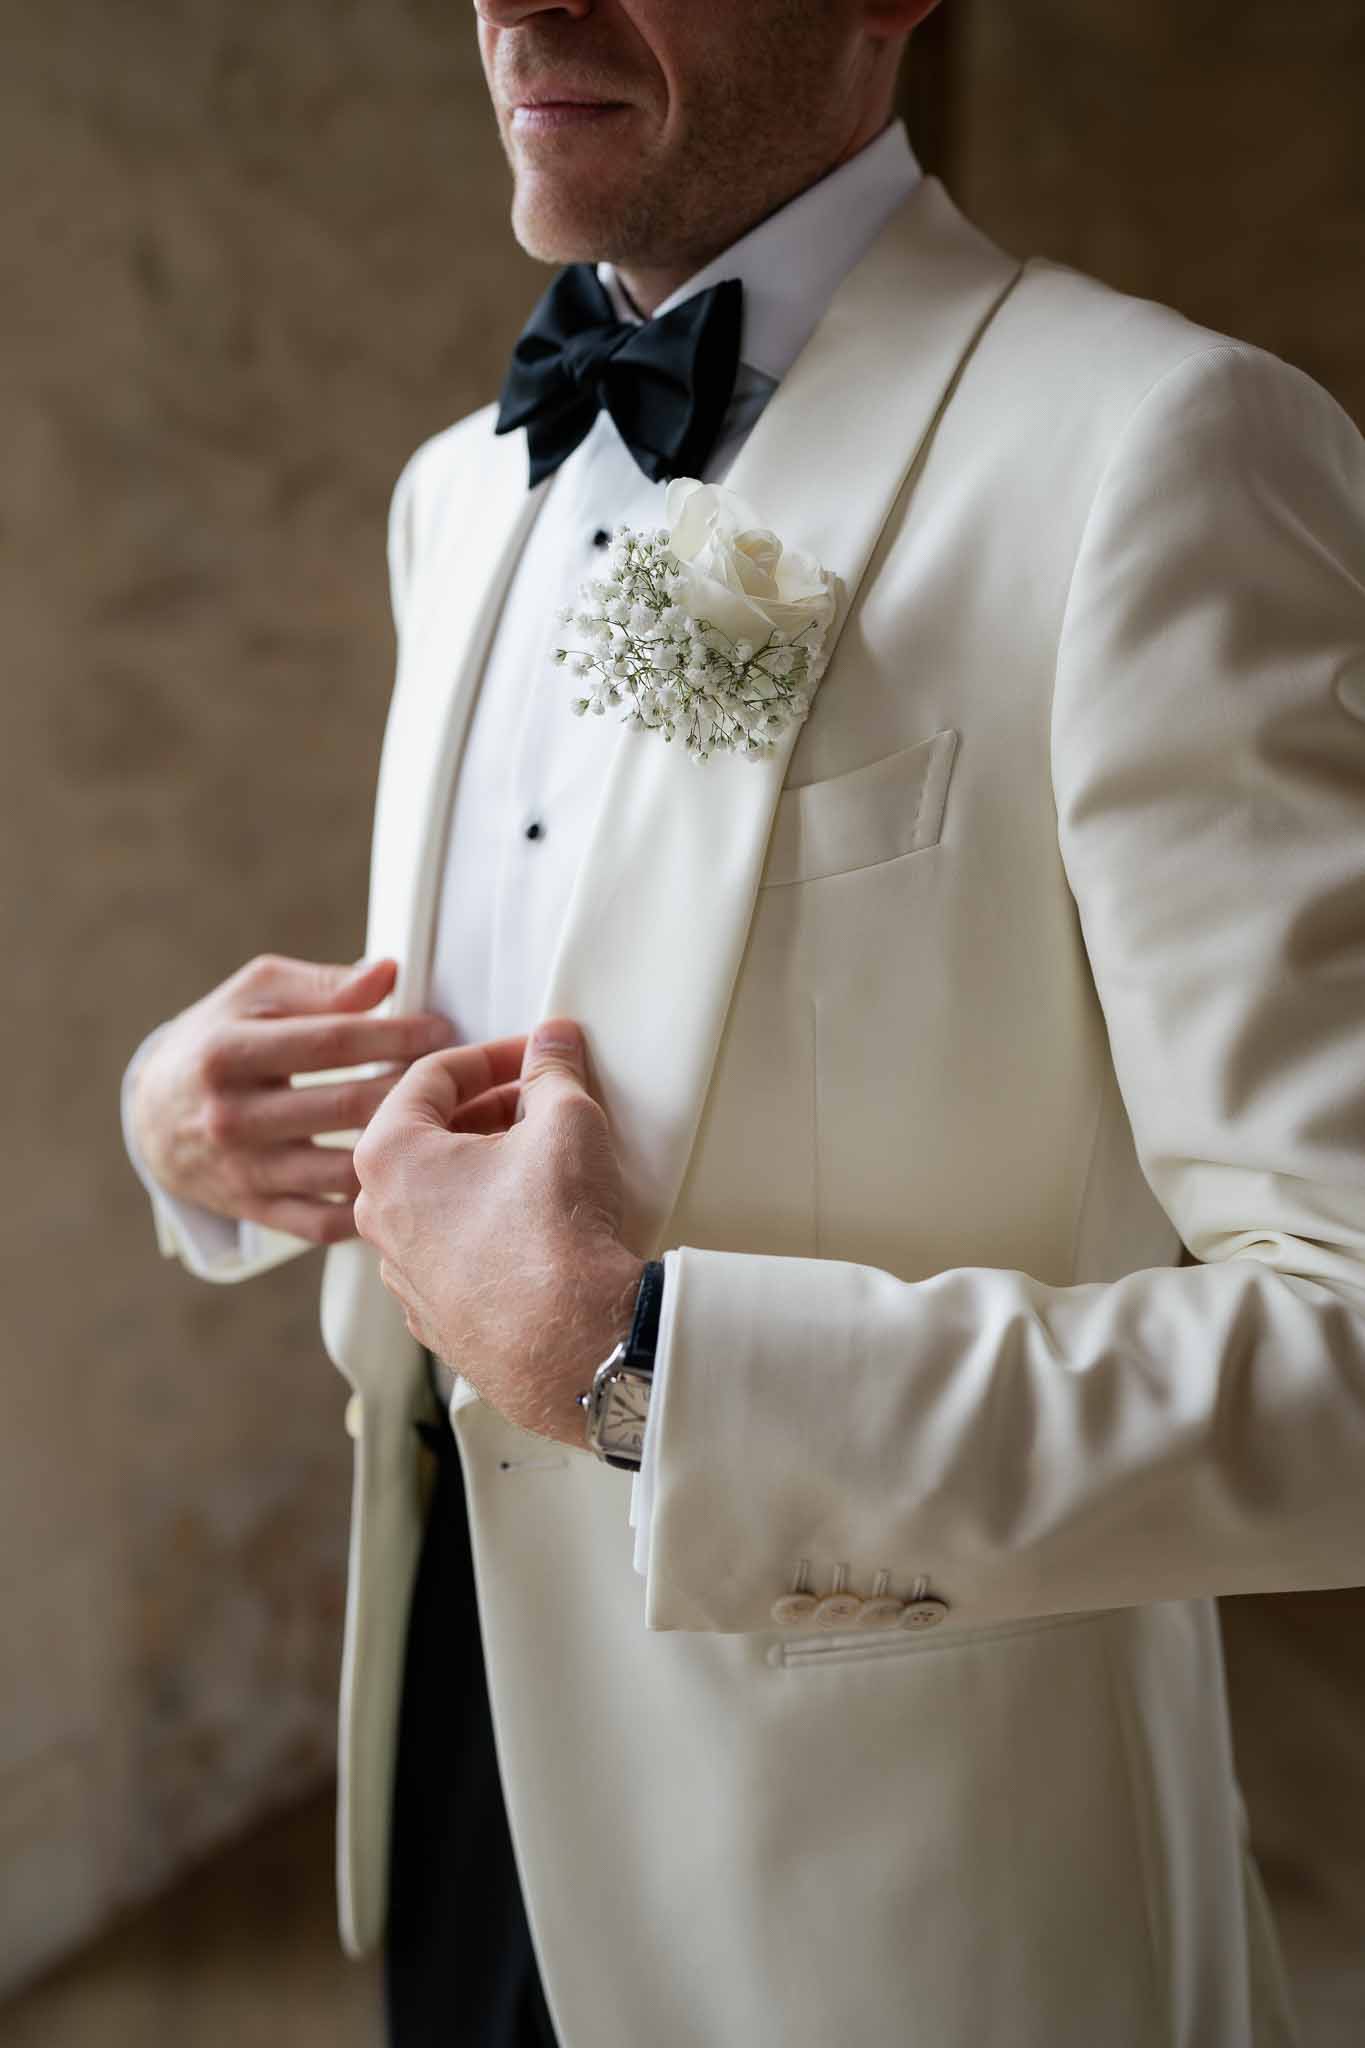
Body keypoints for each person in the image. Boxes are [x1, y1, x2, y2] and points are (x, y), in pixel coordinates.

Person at [123, 1, 1365, 2042]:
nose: (521, 2)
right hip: (459, 1771)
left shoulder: (1160, 452)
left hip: (887, 1900)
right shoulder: (458, 490)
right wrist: (209, 1131)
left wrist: (640, 1362)